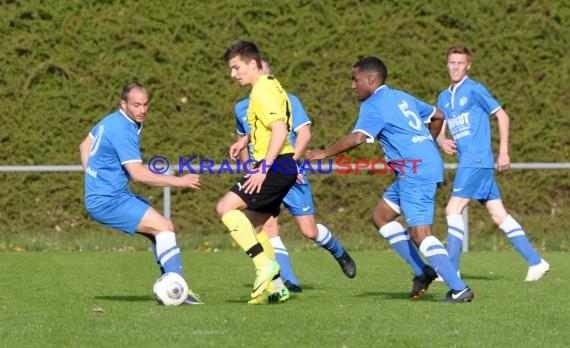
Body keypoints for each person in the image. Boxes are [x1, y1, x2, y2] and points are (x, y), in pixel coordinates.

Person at [306, 56, 474, 303]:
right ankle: (422, 271)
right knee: (381, 217)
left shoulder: (373, 104)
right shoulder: (401, 97)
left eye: (355, 80)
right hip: (420, 166)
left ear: (371, 79)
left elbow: (358, 137)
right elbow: (438, 115)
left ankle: (459, 289)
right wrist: (427, 144)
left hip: (415, 170)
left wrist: (324, 153)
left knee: (420, 233)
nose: (353, 85)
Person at [234, 60, 356, 292]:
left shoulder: (289, 99)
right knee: (267, 227)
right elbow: (243, 142)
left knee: (308, 230)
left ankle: (339, 252)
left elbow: (304, 134)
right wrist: (250, 169)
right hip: (263, 174)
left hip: (288, 171)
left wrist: (292, 164)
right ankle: (287, 280)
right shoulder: (241, 107)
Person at [79, 82, 203, 305]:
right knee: (165, 227)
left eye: (145, 104)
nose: (142, 110)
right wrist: (179, 181)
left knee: (159, 231)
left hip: (111, 195)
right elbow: (138, 174)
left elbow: (84, 145)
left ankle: (172, 285)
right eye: (136, 105)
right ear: (123, 104)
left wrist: (93, 176)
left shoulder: (111, 120)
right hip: (108, 201)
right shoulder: (123, 129)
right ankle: (177, 290)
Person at [436, 45, 550, 281]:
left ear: (468, 65)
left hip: (477, 159)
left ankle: (450, 269)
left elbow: (502, 115)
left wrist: (504, 151)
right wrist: (441, 140)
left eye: (460, 62)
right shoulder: (444, 97)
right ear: (447, 64)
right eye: (451, 62)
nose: (455, 66)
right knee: (498, 214)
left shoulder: (475, 89)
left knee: (452, 209)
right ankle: (536, 262)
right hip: (469, 161)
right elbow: (439, 128)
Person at [216, 40, 298, 304]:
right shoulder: (273, 84)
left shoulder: (261, 91)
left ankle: (265, 266)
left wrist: (263, 169)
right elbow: (273, 123)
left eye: (236, 67)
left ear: (253, 64)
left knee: (225, 208)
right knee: (255, 225)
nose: (233, 74)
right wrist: (247, 139)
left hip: (273, 166)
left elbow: (280, 130)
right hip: (283, 165)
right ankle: (276, 287)